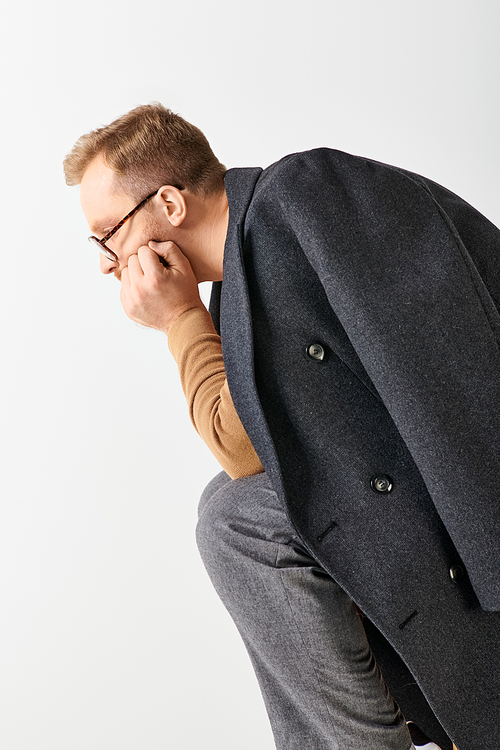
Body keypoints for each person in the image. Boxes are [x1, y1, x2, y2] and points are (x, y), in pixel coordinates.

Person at [63, 103, 500, 750]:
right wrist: (182, 318)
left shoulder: (304, 194)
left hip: (472, 535)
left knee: (232, 518)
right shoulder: (238, 295)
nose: (106, 263)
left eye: (108, 235)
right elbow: (245, 453)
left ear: (171, 206)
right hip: (420, 546)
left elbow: (454, 366)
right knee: (229, 506)